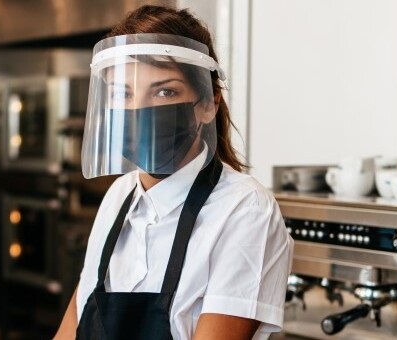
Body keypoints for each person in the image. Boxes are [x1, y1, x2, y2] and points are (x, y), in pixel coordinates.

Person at [55, 5, 293, 340]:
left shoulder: (244, 209)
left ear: (209, 103)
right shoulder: (119, 195)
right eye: (123, 94)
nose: (139, 111)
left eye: (165, 91)